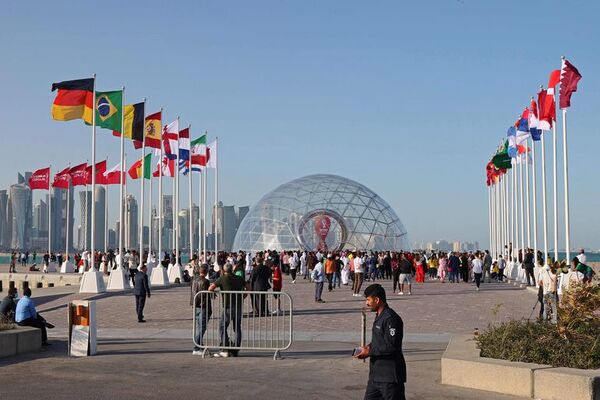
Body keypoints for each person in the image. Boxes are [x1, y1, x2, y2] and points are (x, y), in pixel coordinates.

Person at [354, 284, 406, 400]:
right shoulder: (379, 316)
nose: (367, 303)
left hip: (390, 378)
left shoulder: (390, 318)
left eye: (368, 300)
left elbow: (391, 346)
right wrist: (367, 348)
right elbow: (380, 341)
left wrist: (370, 351)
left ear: (377, 300)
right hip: (375, 377)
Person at [209, 263, 246, 357]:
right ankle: (236, 349)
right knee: (237, 327)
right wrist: (243, 296)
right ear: (231, 270)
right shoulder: (238, 278)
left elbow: (211, 287)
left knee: (222, 326)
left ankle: (225, 347)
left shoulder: (222, 278)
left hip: (228, 306)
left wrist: (212, 292)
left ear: (224, 270)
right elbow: (248, 287)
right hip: (238, 305)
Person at [191, 264, 212, 354]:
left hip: (196, 305)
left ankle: (200, 344)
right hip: (203, 306)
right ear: (206, 272)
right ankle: (196, 347)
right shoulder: (206, 281)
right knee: (202, 327)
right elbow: (205, 294)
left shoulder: (194, 280)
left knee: (200, 326)